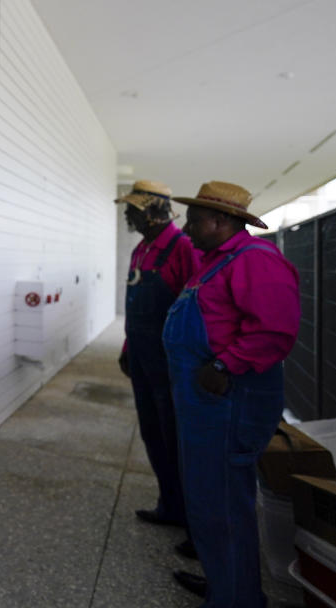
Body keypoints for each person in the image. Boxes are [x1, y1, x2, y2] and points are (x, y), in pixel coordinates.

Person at [162, 181, 300, 608]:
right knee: (209, 507)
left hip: (228, 407)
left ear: (222, 221)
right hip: (203, 408)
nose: (187, 227)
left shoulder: (255, 261)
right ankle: (229, 590)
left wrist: (225, 363)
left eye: (195, 219)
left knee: (223, 511)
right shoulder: (214, 262)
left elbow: (276, 330)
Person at [116, 180, 197, 529]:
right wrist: (127, 347)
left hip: (169, 361)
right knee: (151, 431)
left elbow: (196, 310)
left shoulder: (184, 248)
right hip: (140, 353)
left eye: (132, 208)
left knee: (175, 437)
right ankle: (170, 505)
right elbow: (135, 306)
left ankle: (192, 519)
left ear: (153, 210)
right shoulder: (140, 249)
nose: (126, 214)